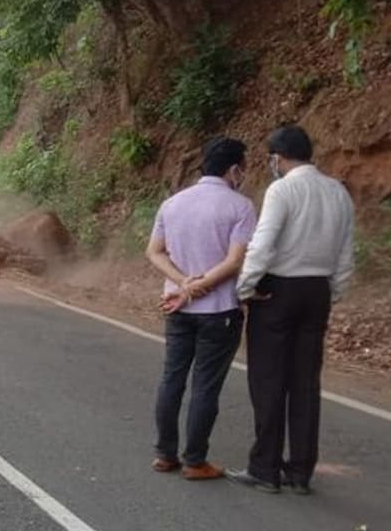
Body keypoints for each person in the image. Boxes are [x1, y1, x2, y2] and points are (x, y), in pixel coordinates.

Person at [228, 125, 355, 495]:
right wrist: (334, 291)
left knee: (268, 380)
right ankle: (300, 471)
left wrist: (245, 288)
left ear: (277, 158)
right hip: (318, 291)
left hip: (278, 291)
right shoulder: (338, 192)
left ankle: (264, 468)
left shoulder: (282, 190)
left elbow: (263, 244)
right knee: (305, 383)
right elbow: (346, 252)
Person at [145, 137, 256, 481]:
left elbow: (154, 251)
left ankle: (165, 454)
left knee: (172, 379)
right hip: (219, 312)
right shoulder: (240, 207)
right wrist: (199, 286)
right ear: (234, 169)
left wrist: (183, 283)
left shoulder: (172, 204)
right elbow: (234, 261)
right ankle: (195, 461)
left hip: (177, 307)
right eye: (243, 167)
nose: (244, 173)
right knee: (205, 386)